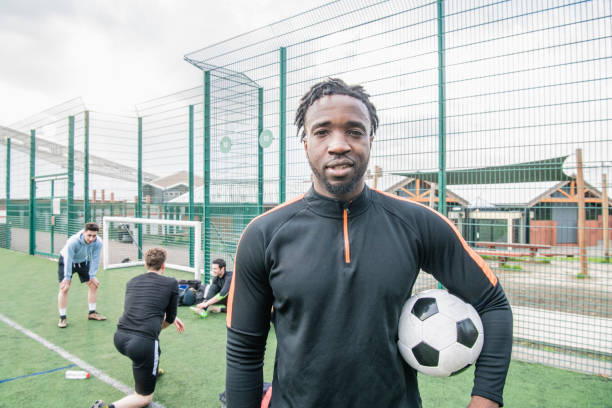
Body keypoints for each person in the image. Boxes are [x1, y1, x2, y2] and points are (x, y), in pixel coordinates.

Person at [225, 78, 513, 407]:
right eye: (322, 132)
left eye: (354, 131)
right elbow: (244, 351)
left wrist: (486, 398)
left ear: (370, 141)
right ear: (306, 144)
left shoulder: (417, 223)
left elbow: (492, 303)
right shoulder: (264, 234)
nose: (338, 145)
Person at [91, 247, 185, 408]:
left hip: (120, 338)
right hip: (141, 345)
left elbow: (142, 306)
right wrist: (158, 327)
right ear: (163, 266)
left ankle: (153, 369)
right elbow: (168, 319)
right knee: (144, 398)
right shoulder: (171, 283)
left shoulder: (132, 282)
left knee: (153, 347)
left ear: (145, 265)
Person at [57, 222, 106, 328]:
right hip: (67, 261)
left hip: (82, 261)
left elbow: (95, 258)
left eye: (94, 236)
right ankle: (62, 318)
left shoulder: (98, 242)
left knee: (94, 285)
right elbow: (68, 259)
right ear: (84, 233)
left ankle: (92, 313)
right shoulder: (73, 241)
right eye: (89, 235)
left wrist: (92, 275)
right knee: (64, 288)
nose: (92, 238)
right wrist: (67, 277)